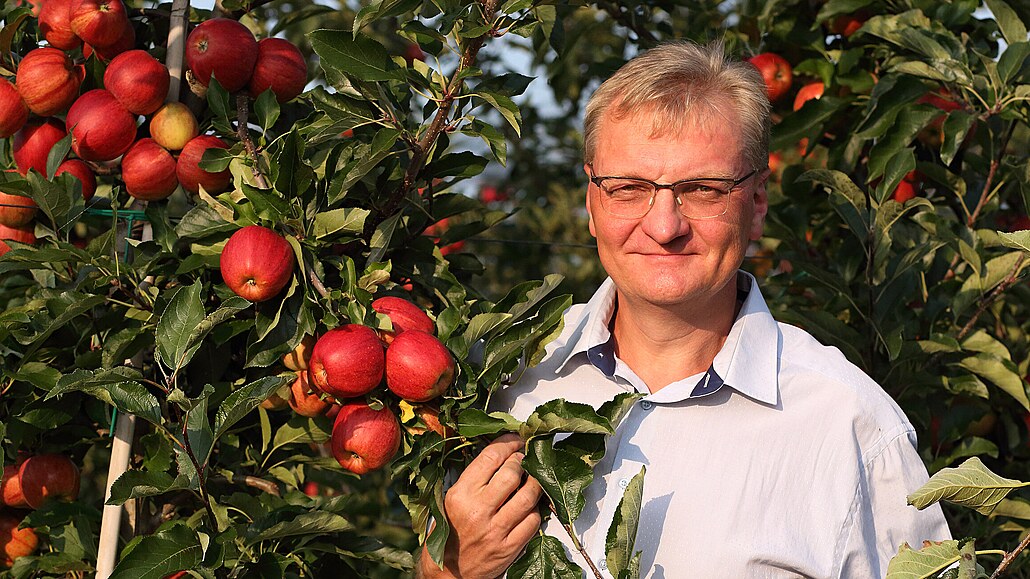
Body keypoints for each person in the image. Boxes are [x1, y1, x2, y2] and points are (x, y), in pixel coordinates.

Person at [418, 40, 951, 578]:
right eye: (628, 188)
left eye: (703, 189)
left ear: (758, 203)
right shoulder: (502, 378)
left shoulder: (849, 426)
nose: (664, 226)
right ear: (591, 203)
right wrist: (449, 572)